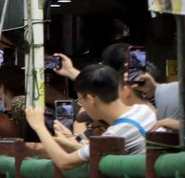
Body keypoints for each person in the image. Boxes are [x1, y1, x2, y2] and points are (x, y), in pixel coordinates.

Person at [26, 64, 157, 171]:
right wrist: (70, 142)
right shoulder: (144, 109)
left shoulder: (117, 132)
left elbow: (65, 163)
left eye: (81, 100)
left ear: (90, 98)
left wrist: (39, 127)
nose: (82, 105)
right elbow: (96, 152)